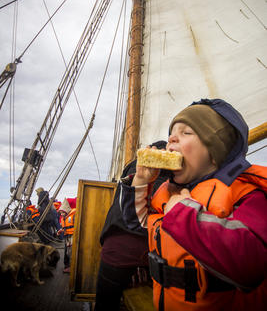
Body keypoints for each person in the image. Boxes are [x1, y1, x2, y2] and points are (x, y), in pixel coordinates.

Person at [119, 98, 267, 311]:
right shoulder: (168, 193)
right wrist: (141, 181)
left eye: (186, 133)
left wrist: (181, 214)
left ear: (216, 151)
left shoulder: (247, 195)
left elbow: (250, 266)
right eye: (171, 135)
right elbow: (137, 224)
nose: (170, 139)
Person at [94, 140, 172, 311]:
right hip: (157, 250)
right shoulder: (176, 174)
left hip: (118, 249)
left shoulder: (135, 166)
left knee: (106, 302)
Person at [58, 198, 76, 273]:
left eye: (62, 213)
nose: (61, 214)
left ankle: (72, 267)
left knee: (71, 252)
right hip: (67, 236)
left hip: (72, 236)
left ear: (66, 211)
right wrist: (61, 230)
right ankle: (68, 266)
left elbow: (76, 226)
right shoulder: (64, 218)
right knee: (67, 252)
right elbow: (65, 227)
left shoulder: (73, 216)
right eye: (60, 213)